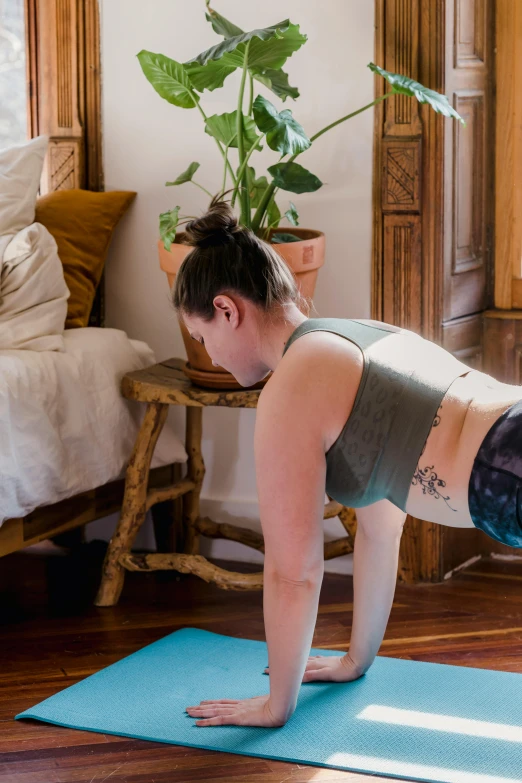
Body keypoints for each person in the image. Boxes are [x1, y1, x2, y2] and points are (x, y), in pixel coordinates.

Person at [178, 197, 522, 729]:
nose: (209, 354)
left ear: (227, 310)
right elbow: (382, 528)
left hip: (508, 466)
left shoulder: (293, 387)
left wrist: (276, 706)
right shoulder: (358, 336)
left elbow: (294, 573)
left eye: (202, 337)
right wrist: (355, 660)